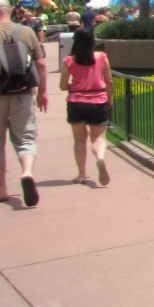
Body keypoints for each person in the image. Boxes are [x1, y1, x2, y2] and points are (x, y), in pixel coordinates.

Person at [0, 0, 49, 206]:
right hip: (24, 92)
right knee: (25, 138)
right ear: (10, 11)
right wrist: (43, 91)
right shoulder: (26, 31)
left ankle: (2, 190)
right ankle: (26, 172)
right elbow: (41, 63)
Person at [59, 28, 112, 187]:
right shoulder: (102, 57)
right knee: (98, 138)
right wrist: (109, 99)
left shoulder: (69, 60)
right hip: (97, 100)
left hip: (76, 101)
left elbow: (62, 86)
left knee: (79, 140)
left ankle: (81, 174)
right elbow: (109, 81)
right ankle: (100, 157)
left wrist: (75, 85)